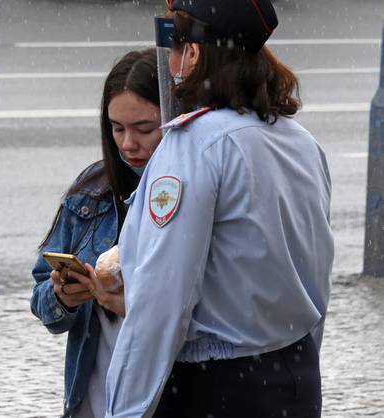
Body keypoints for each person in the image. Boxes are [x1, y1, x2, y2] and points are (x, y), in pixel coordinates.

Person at [105, 1, 334, 417]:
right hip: (296, 376)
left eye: (174, 42)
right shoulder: (300, 141)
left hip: (217, 388)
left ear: (193, 54)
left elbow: (162, 300)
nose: (169, 59)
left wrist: (124, 410)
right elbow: (316, 276)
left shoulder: (193, 145)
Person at [31, 49, 162, 418]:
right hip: (93, 399)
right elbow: (42, 299)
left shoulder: (187, 193)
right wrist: (64, 296)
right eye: (117, 128)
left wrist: (128, 299)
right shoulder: (91, 191)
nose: (128, 144)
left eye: (144, 129)